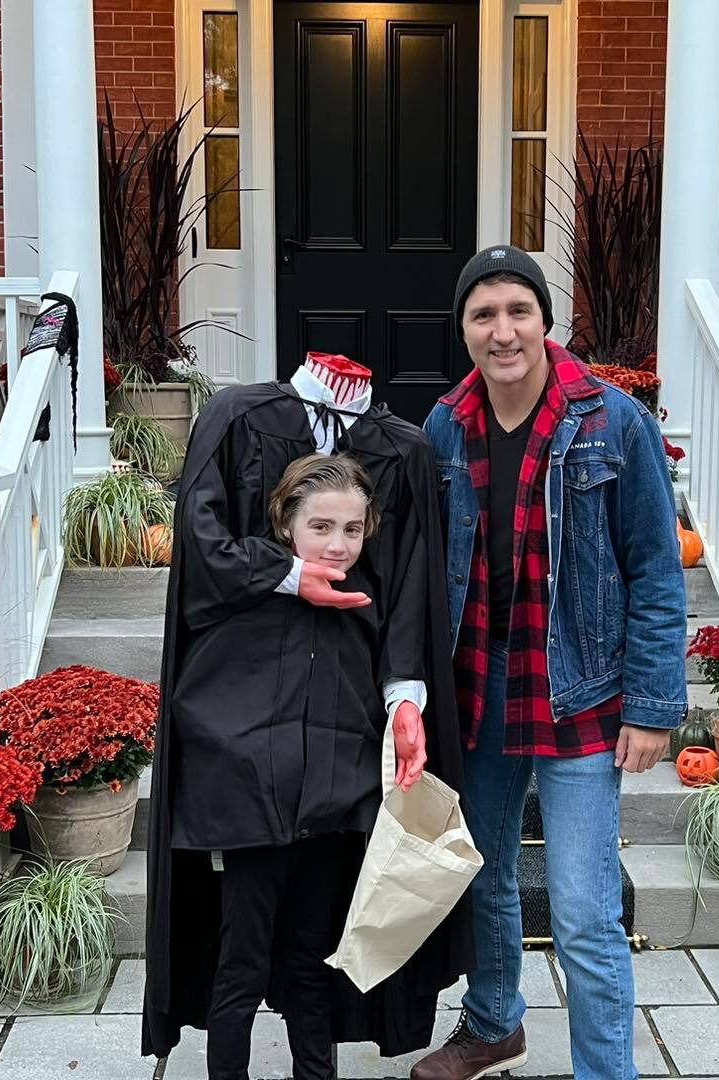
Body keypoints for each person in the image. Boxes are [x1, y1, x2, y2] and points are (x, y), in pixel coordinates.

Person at [142, 353, 472, 1075]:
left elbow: (411, 593)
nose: (338, 544)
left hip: (333, 786)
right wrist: (288, 576)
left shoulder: (402, 455)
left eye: (352, 531)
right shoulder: (238, 419)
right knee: (242, 957)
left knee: (313, 958)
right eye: (320, 526)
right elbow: (201, 548)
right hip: (251, 786)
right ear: (285, 521)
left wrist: (405, 702)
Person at [411, 246, 688, 1080]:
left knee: (583, 910)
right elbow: (425, 568)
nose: (502, 332)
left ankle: (605, 1071)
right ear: (464, 329)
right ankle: (495, 1023)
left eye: (517, 311)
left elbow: (657, 568)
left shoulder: (613, 421)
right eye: (483, 315)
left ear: (544, 321)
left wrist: (651, 705)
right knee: (482, 876)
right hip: (479, 684)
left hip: (581, 690)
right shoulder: (444, 426)